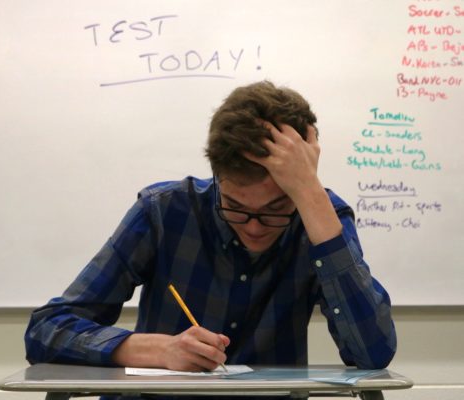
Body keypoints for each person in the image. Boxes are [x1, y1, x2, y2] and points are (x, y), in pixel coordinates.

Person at [25, 81, 396, 398]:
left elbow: (372, 352)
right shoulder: (165, 211)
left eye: (275, 209)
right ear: (216, 177)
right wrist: (156, 349)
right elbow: (46, 330)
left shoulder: (320, 216)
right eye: (234, 207)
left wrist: (311, 197)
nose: (253, 227)